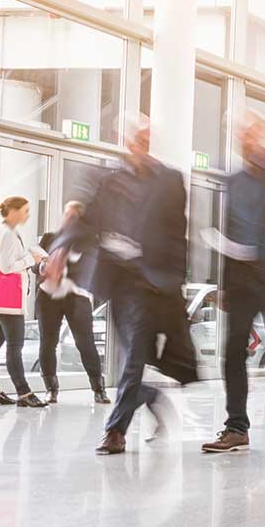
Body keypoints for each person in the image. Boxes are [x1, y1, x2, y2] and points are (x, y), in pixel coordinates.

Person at [91, 119, 191, 454]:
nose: (139, 142)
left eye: (145, 136)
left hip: (150, 284)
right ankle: (154, 399)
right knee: (131, 359)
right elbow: (93, 220)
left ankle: (115, 431)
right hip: (118, 281)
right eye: (133, 137)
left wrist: (176, 279)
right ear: (124, 141)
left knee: (133, 357)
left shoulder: (170, 179)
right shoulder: (111, 180)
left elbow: (179, 234)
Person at [203, 117, 265, 453]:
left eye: (250, 134)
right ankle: (236, 426)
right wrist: (222, 284)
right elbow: (228, 231)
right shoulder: (234, 181)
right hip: (242, 277)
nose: (245, 141)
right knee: (234, 350)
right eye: (240, 136)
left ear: (264, 136)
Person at [35, 201, 108, 405]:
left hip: (76, 296)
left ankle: (98, 389)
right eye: (66, 214)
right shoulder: (50, 238)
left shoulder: (90, 242)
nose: (68, 219)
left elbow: (89, 270)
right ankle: (51, 389)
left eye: (73, 216)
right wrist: (43, 266)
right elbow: (35, 265)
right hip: (48, 296)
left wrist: (61, 266)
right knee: (48, 342)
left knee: (85, 343)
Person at [0, 195, 43, 408]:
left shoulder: (1, 231)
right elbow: (5, 267)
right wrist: (30, 260)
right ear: (13, 211)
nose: (28, 215)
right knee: (14, 346)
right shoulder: (6, 234)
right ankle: (24, 394)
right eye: (25, 210)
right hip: (7, 299)